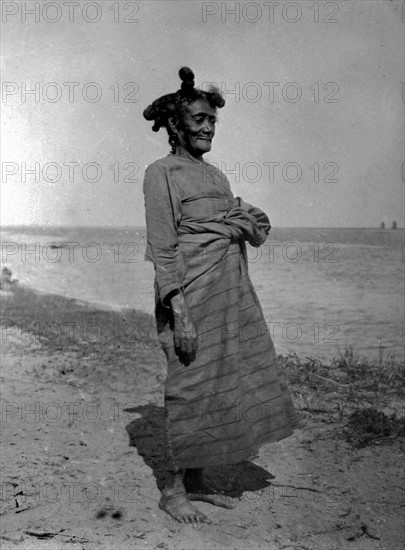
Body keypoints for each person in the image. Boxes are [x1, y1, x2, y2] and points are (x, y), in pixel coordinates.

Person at [143, 67, 297, 525]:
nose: (208, 126)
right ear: (175, 126)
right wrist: (181, 313)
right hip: (188, 298)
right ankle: (172, 491)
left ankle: (197, 482)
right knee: (190, 387)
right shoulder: (161, 174)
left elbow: (232, 226)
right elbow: (162, 248)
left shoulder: (217, 177)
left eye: (212, 120)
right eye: (198, 119)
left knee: (220, 384)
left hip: (227, 300)